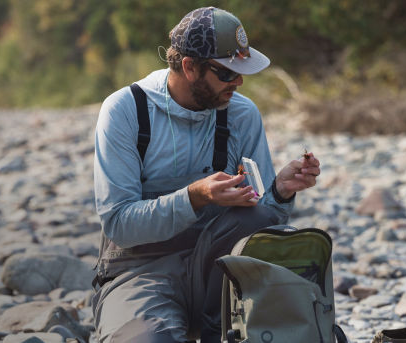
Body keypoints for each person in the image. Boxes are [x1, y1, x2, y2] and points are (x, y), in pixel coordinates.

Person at [92, 7, 320, 342]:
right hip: (139, 274)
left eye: (241, 72)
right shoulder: (124, 111)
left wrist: (281, 191)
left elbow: (263, 221)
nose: (239, 82)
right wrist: (194, 197)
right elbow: (119, 225)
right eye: (227, 73)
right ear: (189, 67)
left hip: (222, 274)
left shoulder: (242, 114)